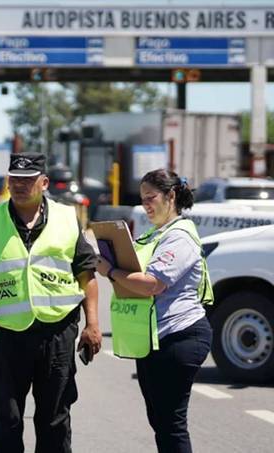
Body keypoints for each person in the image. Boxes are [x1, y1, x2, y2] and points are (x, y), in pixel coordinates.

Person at [0, 152, 101, 453]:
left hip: (57, 333)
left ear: (44, 182)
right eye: (14, 180)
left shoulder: (66, 218)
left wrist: (93, 324)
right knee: (7, 420)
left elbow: (87, 273)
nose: (19, 186)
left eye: (28, 180)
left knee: (55, 420)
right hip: (7, 335)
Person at [95, 169, 213, 453]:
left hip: (180, 336)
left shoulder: (180, 236)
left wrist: (110, 270)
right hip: (155, 338)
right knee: (160, 421)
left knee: (171, 424)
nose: (146, 205)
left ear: (171, 196)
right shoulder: (154, 234)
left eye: (152, 198)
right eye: (142, 198)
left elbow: (152, 284)